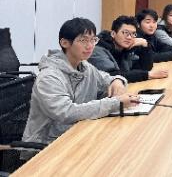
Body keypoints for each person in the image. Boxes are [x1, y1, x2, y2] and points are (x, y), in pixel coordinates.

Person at [22, 18, 139, 149]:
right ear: (65, 43)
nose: (90, 46)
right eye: (83, 40)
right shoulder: (49, 77)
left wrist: (117, 81)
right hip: (45, 145)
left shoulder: (84, 66)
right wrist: (115, 103)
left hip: (78, 133)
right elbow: (67, 112)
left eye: (93, 40)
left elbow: (106, 79)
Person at [88, 15, 168, 83]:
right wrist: (148, 75)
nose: (129, 37)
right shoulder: (98, 50)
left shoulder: (125, 48)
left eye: (133, 34)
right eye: (125, 33)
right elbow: (113, 76)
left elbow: (144, 68)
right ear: (113, 34)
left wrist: (145, 46)